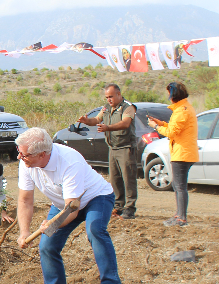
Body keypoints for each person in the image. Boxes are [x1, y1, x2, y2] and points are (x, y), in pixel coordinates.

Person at [15, 128, 122, 284]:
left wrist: (50, 226)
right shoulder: (27, 163)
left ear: (42, 154)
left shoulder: (69, 160)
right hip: (63, 204)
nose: (19, 157)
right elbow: (25, 200)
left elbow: (72, 210)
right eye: (19, 152)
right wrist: (24, 231)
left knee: (95, 230)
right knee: (47, 246)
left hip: (95, 198)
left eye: (23, 154)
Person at [76, 84, 138, 219]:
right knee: (115, 179)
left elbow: (126, 123)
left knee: (128, 178)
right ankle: (118, 206)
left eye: (111, 96)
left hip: (125, 147)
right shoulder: (107, 107)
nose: (109, 99)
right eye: (107, 97)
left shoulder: (128, 107)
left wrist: (108, 128)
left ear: (118, 94)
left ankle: (130, 207)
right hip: (113, 147)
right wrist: (86, 121)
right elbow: (97, 119)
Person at [147, 82, 198, 227]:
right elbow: (175, 127)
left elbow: (172, 133)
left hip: (182, 152)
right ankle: (179, 215)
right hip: (183, 151)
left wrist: (155, 127)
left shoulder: (182, 110)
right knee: (177, 185)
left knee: (180, 186)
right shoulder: (184, 108)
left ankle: (181, 218)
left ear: (173, 95)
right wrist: (161, 123)